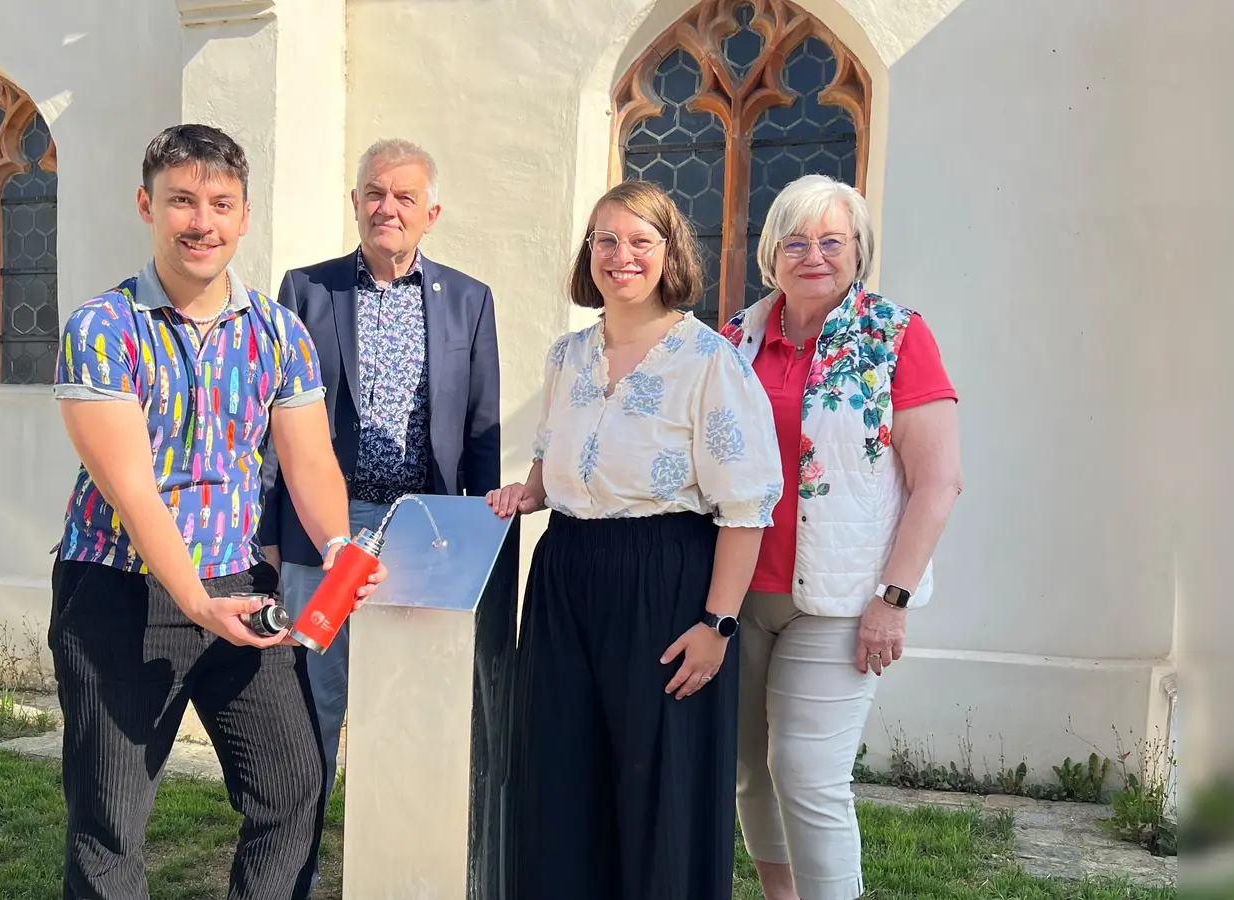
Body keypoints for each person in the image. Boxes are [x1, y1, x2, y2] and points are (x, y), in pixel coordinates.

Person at [48, 123, 384, 900]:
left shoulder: (278, 331)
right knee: (110, 821)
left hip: (239, 585)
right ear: (147, 206)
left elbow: (308, 460)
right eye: (183, 202)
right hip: (119, 588)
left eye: (220, 204)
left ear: (243, 215)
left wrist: (337, 544)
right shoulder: (102, 329)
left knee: (294, 783)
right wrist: (195, 601)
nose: (202, 221)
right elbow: (132, 489)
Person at [487, 180, 785, 900]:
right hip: (564, 575)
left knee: (659, 787)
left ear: (669, 253)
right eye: (606, 240)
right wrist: (529, 490)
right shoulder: (566, 356)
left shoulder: (709, 361)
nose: (621, 256)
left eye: (640, 242)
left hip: (665, 582)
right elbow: (555, 449)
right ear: (588, 252)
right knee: (561, 770)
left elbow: (745, 509)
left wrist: (717, 625)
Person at [718, 173, 962, 900]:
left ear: (859, 251)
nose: (814, 255)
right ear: (772, 253)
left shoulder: (896, 334)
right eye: (796, 240)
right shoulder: (738, 336)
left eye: (832, 240)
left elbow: (938, 481)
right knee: (749, 770)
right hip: (740, 589)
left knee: (807, 773)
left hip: (844, 600)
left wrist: (894, 597)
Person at [259, 137, 501, 810]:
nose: (386, 207)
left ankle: (394, 856)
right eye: (374, 193)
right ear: (355, 203)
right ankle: (295, 858)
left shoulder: (470, 301)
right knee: (316, 701)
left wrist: (477, 540)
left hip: (422, 530)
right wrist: (268, 530)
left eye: (404, 196)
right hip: (326, 525)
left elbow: (482, 436)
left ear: (432, 211)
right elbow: (277, 423)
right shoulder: (306, 291)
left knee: (407, 699)